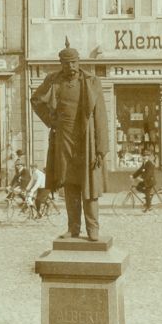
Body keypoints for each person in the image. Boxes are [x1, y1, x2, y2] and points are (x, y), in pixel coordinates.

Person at [31, 42, 108, 242]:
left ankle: (93, 229)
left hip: (86, 141)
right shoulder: (53, 80)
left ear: (79, 61)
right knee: (70, 184)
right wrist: (51, 120)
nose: (70, 66)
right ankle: (73, 229)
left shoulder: (91, 82)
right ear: (61, 64)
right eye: (66, 63)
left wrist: (101, 149)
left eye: (73, 62)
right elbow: (36, 100)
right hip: (64, 139)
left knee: (89, 187)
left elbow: (101, 117)